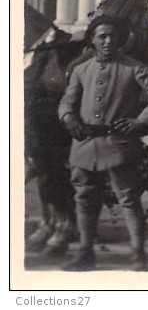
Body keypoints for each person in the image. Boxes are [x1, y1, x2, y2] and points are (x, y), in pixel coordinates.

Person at [58, 16, 148, 272]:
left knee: (129, 200)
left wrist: (141, 122)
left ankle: (137, 256)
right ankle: (85, 253)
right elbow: (67, 100)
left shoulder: (133, 67)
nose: (108, 41)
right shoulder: (81, 70)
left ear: (120, 38)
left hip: (120, 145)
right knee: (85, 198)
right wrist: (68, 117)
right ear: (92, 40)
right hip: (85, 144)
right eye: (102, 37)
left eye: (112, 36)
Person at [24, 25, 79, 257]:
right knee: (42, 174)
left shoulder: (47, 54)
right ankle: (49, 222)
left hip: (41, 121)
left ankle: (62, 224)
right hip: (29, 123)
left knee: (50, 171)